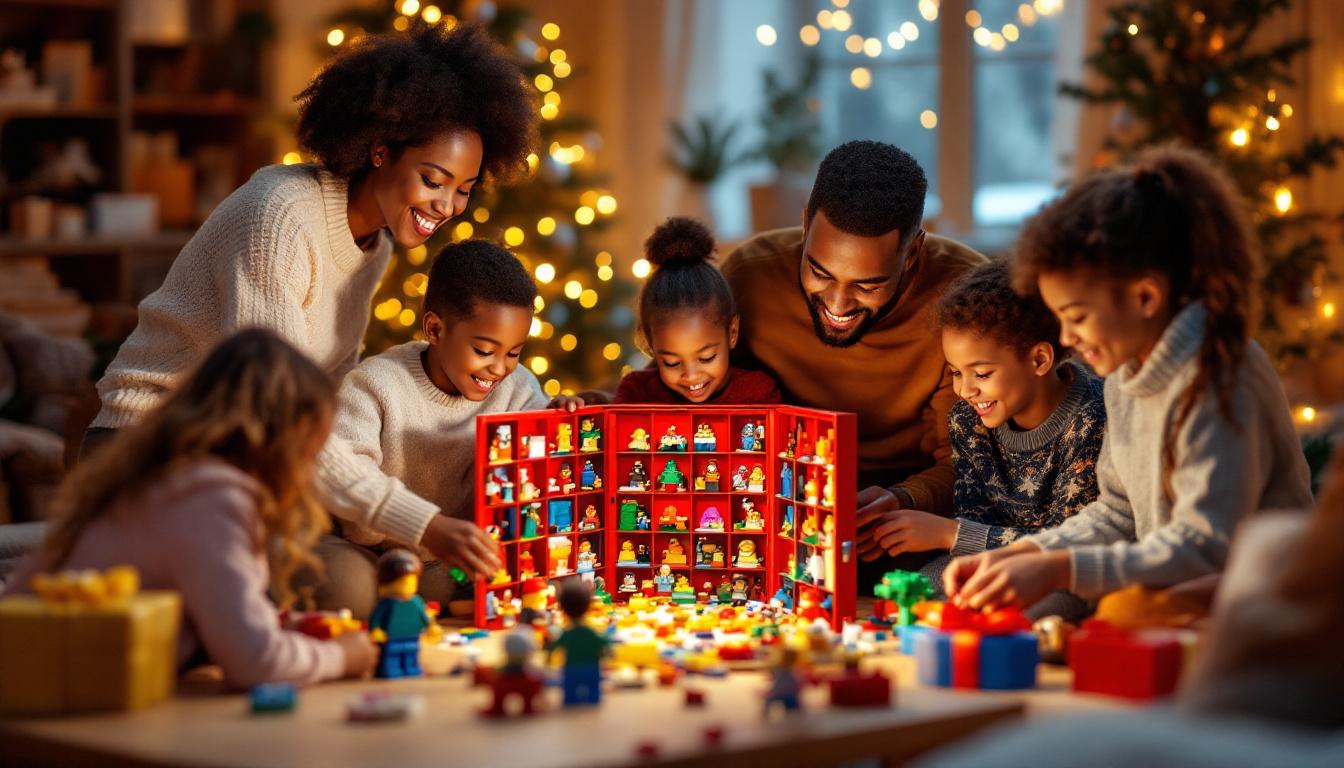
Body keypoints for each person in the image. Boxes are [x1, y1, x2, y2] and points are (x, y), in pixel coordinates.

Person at [83, 24, 535, 571]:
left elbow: (326, 390)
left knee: (358, 575)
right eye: (433, 179)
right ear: (380, 150)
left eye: (463, 190)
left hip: (254, 462)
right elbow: (281, 412)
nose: (447, 206)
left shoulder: (377, 244)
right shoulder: (279, 216)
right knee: (335, 582)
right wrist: (423, 523)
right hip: (154, 450)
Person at [944, 145, 1313, 611]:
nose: (1067, 338)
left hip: (1262, 614)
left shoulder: (1221, 377)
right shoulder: (1124, 375)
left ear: (1143, 297)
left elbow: (1205, 548)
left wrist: (1059, 569)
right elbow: (1117, 511)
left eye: (1076, 316)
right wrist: (1025, 553)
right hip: (1187, 599)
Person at [1, 330, 376, 689]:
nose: (312, 472)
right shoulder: (214, 502)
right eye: (311, 453)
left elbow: (216, 614)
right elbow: (253, 663)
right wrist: (342, 657)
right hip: (45, 681)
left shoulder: (159, 476)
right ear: (279, 445)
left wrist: (288, 626)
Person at [719, 140, 985, 584]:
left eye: (869, 284)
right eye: (820, 272)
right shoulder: (749, 274)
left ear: (913, 252)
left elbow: (976, 461)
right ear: (805, 224)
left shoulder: (966, 295)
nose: (838, 304)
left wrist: (905, 497)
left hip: (908, 513)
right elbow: (689, 388)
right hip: (773, 505)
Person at [316, 240, 570, 616]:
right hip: (372, 551)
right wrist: (427, 527)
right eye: (484, 351)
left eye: (514, 352)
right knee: (349, 590)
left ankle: (435, 601)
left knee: (555, 581)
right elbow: (343, 474)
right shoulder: (374, 383)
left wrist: (559, 417)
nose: (499, 368)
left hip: (450, 560)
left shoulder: (517, 388)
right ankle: (427, 602)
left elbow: (537, 462)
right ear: (434, 329)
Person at [862, 261, 1104, 614]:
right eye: (956, 373)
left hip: (1062, 569)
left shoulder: (1091, 418)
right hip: (992, 560)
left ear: (1039, 359)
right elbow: (974, 525)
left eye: (982, 373)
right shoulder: (968, 420)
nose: (965, 390)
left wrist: (949, 534)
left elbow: (1070, 546)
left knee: (1046, 604)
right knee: (916, 594)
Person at [614, 217, 780, 404]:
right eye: (672, 363)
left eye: (706, 358)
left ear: (732, 333)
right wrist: (581, 406)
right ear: (650, 344)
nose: (691, 376)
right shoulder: (638, 393)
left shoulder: (756, 393)